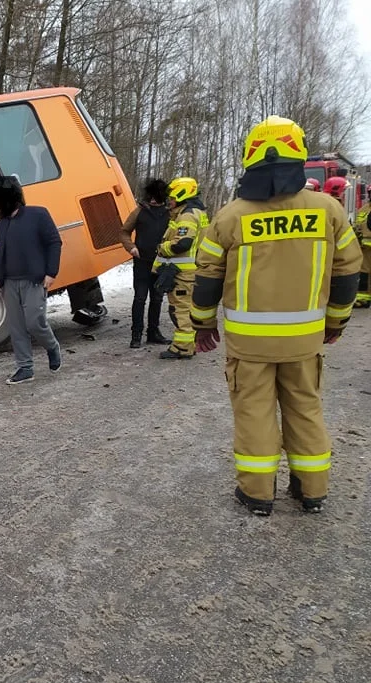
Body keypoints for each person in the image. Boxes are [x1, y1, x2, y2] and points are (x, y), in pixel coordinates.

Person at [190, 114, 362, 516]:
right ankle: (311, 490)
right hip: (304, 342)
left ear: (250, 158)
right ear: (298, 155)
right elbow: (348, 272)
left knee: (254, 413)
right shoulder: (329, 211)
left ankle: (257, 495)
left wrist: (202, 325)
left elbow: (207, 279)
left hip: (249, 346)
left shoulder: (231, 215)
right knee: (305, 407)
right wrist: (335, 322)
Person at [0, 175, 63, 385]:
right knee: (16, 327)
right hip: (9, 282)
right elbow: (1, 251)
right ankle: (25, 367)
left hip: (34, 280)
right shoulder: (1, 225)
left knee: (34, 322)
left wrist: (51, 272)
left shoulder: (38, 214)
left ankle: (52, 347)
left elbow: (54, 242)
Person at [152, 176, 209, 359]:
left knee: (180, 309)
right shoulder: (194, 212)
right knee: (183, 309)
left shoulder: (187, 215)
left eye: (172, 197)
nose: (170, 200)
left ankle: (183, 348)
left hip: (183, 274)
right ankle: (186, 344)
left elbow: (182, 243)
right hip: (189, 272)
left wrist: (162, 248)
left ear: (182, 193)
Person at [118, 178, 171, 348]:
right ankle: (136, 334)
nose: (153, 200)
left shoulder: (170, 212)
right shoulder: (139, 211)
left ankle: (153, 332)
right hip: (142, 262)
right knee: (140, 298)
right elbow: (124, 232)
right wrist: (131, 247)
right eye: (151, 197)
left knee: (157, 298)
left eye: (156, 197)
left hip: (162, 262)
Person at [354, 190, 371, 308]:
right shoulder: (363, 210)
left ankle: (363, 298)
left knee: (364, 273)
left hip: (364, 247)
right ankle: (363, 298)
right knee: (364, 274)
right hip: (364, 248)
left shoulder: (363, 210)